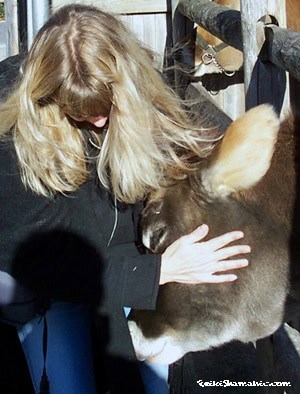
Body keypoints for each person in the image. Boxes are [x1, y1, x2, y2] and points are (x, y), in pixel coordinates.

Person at [0, 4, 251, 394]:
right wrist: (157, 272)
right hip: (53, 285)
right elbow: (43, 261)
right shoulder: (11, 139)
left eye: (106, 107)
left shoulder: (143, 92)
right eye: (78, 113)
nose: (98, 122)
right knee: (70, 386)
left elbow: (198, 138)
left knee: (157, 379)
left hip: (130, 265)